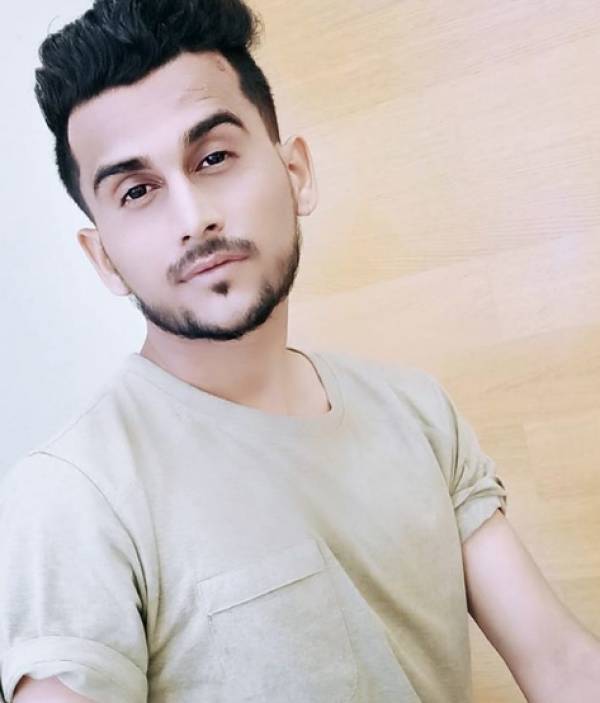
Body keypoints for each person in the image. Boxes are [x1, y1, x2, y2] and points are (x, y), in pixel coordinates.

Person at [1, 1, 599, 701]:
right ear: (103, 258)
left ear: (297, 174)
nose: (194, 218)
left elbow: (561, 662)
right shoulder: (74, 495)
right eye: (137, 191)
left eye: (214, 157)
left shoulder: (416, 411)